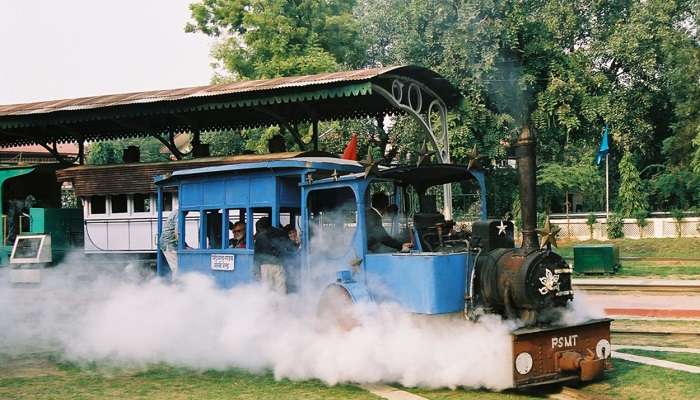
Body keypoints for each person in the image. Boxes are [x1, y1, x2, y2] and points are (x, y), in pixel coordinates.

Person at [254, 217, 297, 293]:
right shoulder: (280, 232)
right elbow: (290, 247)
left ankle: (268, 304)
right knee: (281, 289)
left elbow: (257, 255)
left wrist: (256, 270)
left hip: (264, 266)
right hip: (278, 264)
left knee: (267, 290)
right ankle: (282, 303)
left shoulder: (259, 236)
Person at [159, 209, 187, 278]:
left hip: (168, 242)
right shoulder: (179, 214)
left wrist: (185, 245)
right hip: (169, 244)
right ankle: (176, 286)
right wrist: (182, 244)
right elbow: (177, 231)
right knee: (177, 267)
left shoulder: (174, 212)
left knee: (177, 266)